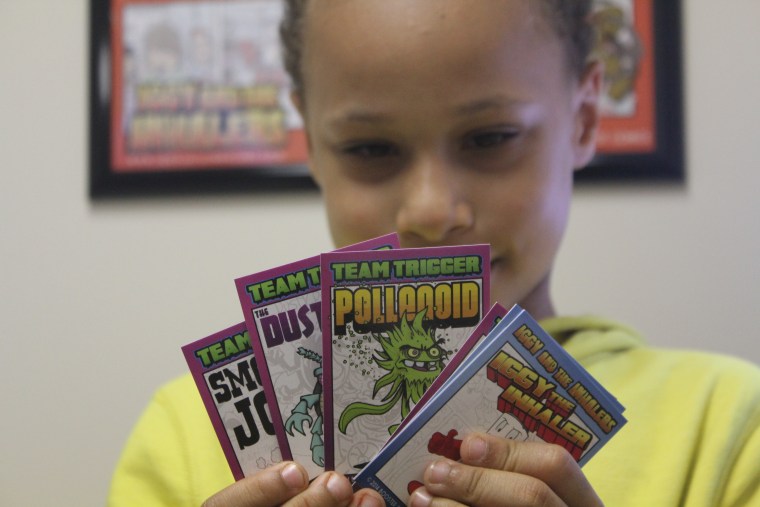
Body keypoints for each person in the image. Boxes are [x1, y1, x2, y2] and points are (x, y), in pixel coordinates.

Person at [108, 1, 760, 506]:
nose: (429, 210)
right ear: (311, 140)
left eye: (491, 136)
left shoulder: (727, 422)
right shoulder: (185, 432)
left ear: (585, 118)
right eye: (370, 148)